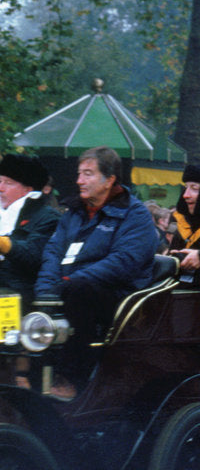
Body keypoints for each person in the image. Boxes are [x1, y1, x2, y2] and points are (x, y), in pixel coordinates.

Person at [35, 146, 158, 397]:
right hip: (70, 288)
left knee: (79, 291)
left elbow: (123, 262)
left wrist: (69, 282)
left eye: (88, 174)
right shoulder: (73, 213)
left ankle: (73, 380)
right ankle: (28, 375)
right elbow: (52, 253)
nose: (79, 180)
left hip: (120, 300)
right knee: (26, 293)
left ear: (110, 179)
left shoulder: (135, 215)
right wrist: (46, 290)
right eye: (80, 173)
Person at [0, 154, 60, 306]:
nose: (0, 188)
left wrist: (5, 244)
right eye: (0, 181)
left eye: (8, 183)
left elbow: (33, 256)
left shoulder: (47, 217)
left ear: (27, 189)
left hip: (18, 293)